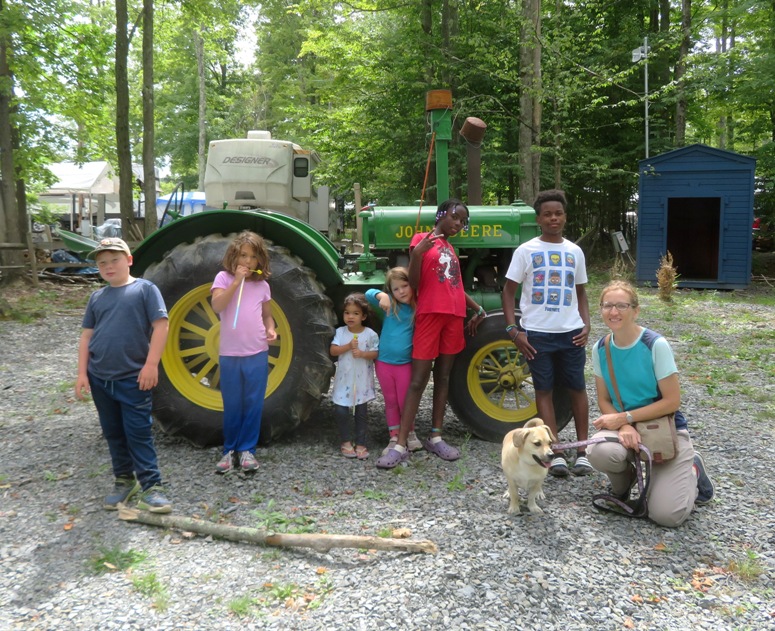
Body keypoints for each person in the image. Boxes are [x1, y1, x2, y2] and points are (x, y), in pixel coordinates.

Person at [586, 280, 715, 527]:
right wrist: (623, 427)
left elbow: (672, 402)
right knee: (599, 451)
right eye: (607, 305)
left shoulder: (655, 345)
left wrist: (625, 419)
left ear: (636, 310)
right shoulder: (600, 348)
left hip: (665, 429)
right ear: (601, 309)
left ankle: (693, 470)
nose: (614, 312)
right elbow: (604, 399)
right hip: (628, 429)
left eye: (622, 306)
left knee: (667, 516)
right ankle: (626, 484)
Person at [376, 199, 485, 469]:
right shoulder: (421, 240)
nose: (458, 223)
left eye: (463, 221)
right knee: (418, 379)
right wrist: (415, 256)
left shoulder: (450, 248)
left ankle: (436, 436)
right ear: (440, 215)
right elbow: (413, 284)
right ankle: (400, 444)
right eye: (454, 217)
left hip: (454, 316)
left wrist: (478, 308)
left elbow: (455, 287)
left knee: (444, 376)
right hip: (429, 315)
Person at [75, 237, 171, 513]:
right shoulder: (97, 297)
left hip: (133, 378)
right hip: (100, 378)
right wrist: (82, 373)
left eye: (114, 260)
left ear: (129, 260)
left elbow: (161, 327)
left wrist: (151, 364)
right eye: (102, 262)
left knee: (138, 433)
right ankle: (124, 481)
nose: (108, 266)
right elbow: (86, 337)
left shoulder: (145, 289)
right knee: (113, 433)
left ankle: (152, 487)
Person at [501, 189, 592, 477]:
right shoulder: (526, 251)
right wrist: (513, 330)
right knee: (544, 390)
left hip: (571, 334)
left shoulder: (574, 251)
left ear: (565, 217)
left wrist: (587, 324)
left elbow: (581, 293)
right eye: (548, 214)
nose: (554, 218)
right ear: (538, 219)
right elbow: (508, 292)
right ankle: (556, 452)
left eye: (559, 213)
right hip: (537, 334)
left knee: (577, 388)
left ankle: (583, 450)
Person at [211, 231, 276, 474]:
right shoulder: (223, 278)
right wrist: (236, 281)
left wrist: (271, 330)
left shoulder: (263, 285)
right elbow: (217, 305)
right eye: (243, 255)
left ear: (260, 260)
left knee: (253, 403)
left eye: (253, 257)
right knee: (233, 404)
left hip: (257, 352)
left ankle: (248, 450)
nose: (247, 261)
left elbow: (267, 315)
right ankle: (229, 450)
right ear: (234, 255)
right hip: (229, 354)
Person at [366, 267, 423, 455]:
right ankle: (394, 435)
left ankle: (410, 433)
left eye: (405, 286)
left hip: (404, 365)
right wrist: (380, 294)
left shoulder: (416, 308)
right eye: (396, 289)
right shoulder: (390, 304)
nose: (401, 292)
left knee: (404, 401)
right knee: (390, 401)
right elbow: (367, 293)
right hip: (383, 363)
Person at [329, 292, 379, 459]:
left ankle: (361, 443)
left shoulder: (370, 334)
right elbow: (333, 350)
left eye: (355, 313)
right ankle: (345, 441)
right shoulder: (341, 332)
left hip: (362, 381)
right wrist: (348, 346)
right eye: (347, 312)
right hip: (344, 380)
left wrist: (363, 354)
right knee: (341, 411)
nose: (350, 316)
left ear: (363, 316)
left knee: (361, 413)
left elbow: (375, 353)